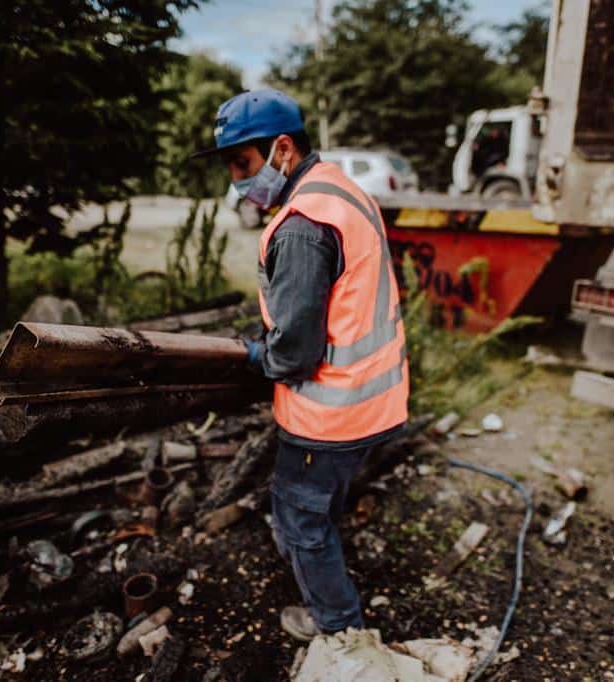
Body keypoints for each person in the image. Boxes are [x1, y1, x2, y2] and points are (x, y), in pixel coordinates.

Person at [191, 89, 409, 641]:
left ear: (282, 149)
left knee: (301, 520)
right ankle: (329, 591)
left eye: (242, 163)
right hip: (375, 399)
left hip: (331, 415)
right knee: (320, 507)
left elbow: (294, 353)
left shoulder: (301, 226)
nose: (237, 180)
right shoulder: (337, 187)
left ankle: (339, 630)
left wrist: (256, 354)